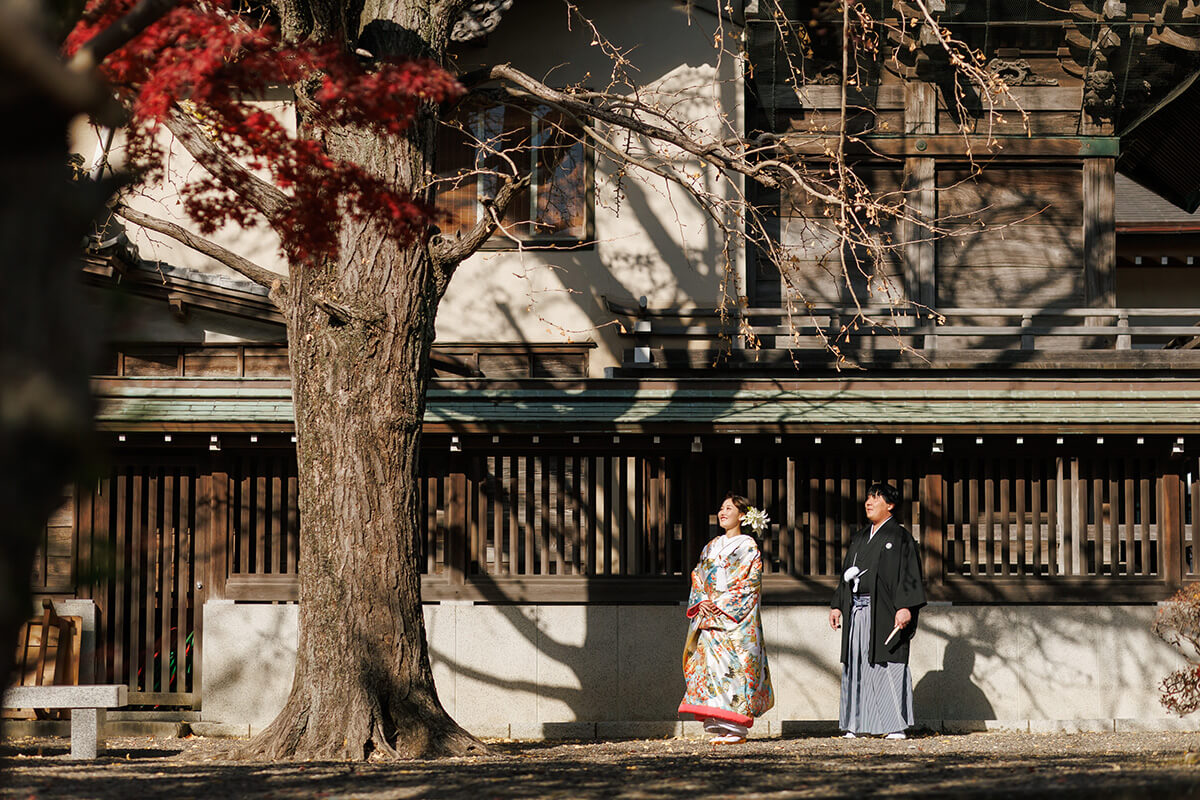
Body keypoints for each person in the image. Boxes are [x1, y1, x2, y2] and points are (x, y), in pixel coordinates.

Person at [830, 482, 926, 739]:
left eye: (875, 498)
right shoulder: (861, 537)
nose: (868, 503)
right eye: (867, 498)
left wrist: (905, 606)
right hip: (857, 611)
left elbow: (910, 575)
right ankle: (856, 724)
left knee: (886, 663)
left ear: (890, 505)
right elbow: (845, 574)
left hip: (884, 610)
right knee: (857, 663)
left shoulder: (900, 537)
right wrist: (838, 604)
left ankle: (894, 725)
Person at [678, 492, 774, 744]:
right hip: (709, 616)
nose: (722, 512)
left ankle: (736, 728)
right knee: (713, 670)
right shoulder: (710, 546)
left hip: (733, 618)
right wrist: (702, 601)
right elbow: (697, 574)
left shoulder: (748, 546)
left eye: (729, 509)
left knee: (735, 668)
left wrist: (719, 603)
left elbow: (749, 583)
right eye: (721, 508)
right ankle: (721, 726)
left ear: (742, 516)